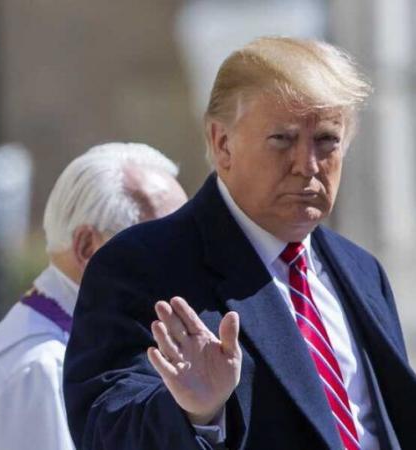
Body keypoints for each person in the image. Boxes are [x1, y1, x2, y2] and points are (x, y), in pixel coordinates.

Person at [64, 37, 416, 450]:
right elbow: (104, 431)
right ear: (222, 143)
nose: (307, 165)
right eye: (282, 139)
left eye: (326, 140)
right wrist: (196, 413)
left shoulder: (361, 270)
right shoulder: (141, 265)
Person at [0, 142, 188, 450]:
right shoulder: (41, 370)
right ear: (87, 247)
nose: (186, 260)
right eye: (163, 242)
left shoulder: (72, 346)